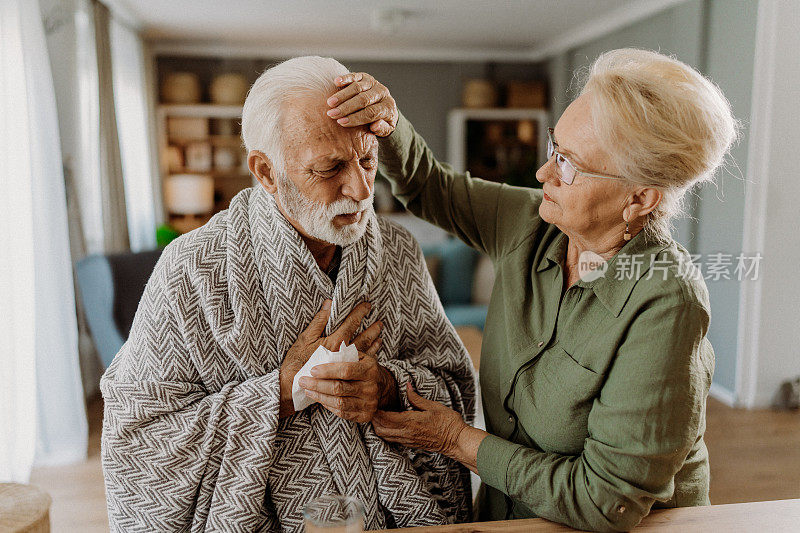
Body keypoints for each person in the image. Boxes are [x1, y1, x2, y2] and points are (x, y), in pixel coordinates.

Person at [325, 48, 738, 532]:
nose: (544, 174)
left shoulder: (666, 301)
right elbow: (430, 187)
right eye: (553, 149)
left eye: (569, 165)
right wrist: (386, 122)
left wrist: (455, 439)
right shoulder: (531, 221)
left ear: (640, 198)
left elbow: (605, 501)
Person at [100, 56, 475, 532]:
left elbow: (454, 384)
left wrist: (384, 387)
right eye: (330, 167)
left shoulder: (399, 250)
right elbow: (136, 443)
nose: (361, 189)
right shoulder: (191, 268)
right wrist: (283, 390)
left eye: (366, 159)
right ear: (266, 172)